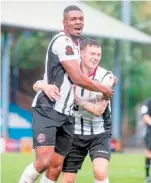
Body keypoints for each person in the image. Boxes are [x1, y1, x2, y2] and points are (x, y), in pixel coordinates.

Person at [18, 5, 114, 183]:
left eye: (81, 19)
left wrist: (41, 84)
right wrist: (104, 89)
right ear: (64, 23)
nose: (78, 22)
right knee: (44, 161)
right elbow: (77, 78)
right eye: (73, 19)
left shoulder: (77, 46)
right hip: (49, 108)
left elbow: (49, 78)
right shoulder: (63, 42)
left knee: (55, 167)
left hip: (67, 115)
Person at [34, 38, 116, 183]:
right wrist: (45, 87)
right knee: (64, 177)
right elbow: (37, 84)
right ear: (81, 53)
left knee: (100, 171)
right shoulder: (68, 72)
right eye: (92, 54)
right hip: (74, 133)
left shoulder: (106, 77)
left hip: (99, 132)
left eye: (98, 54)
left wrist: (77, 99)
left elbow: (98, 110)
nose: (96, 58)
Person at [140, 98, 151, 183]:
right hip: (150, 132)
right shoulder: (148, 102)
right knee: (149, 153)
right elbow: (145, 116)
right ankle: (147, 176)